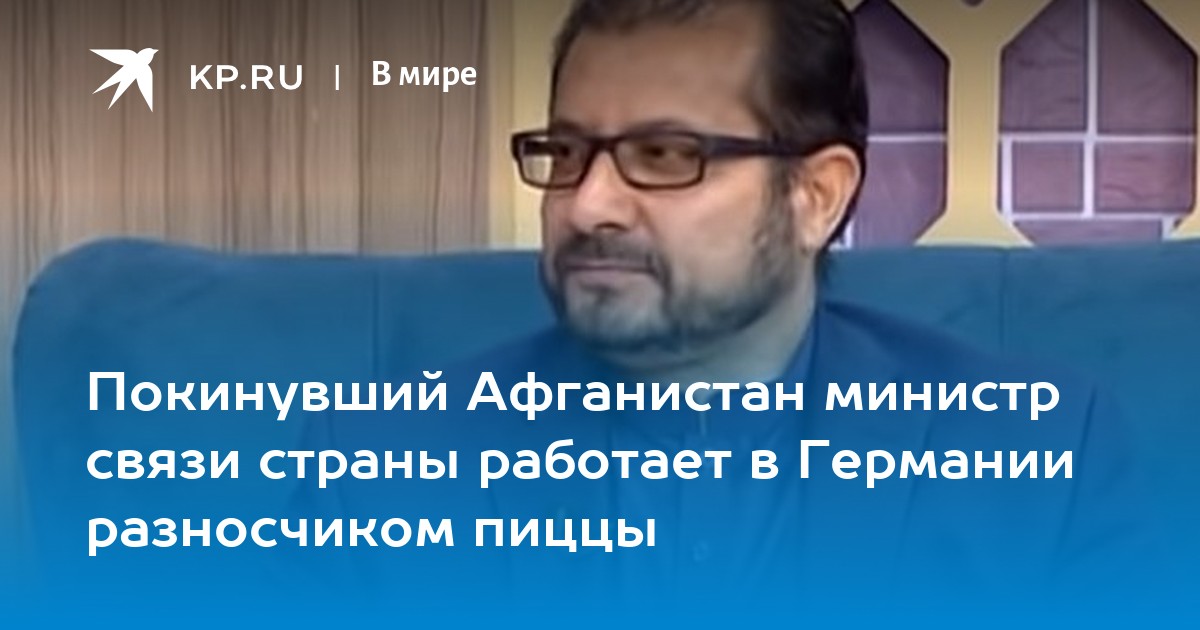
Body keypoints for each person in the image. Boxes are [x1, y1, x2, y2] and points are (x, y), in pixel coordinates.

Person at [302, 0, 1153, 621]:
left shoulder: (1044, 459)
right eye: (567, 151)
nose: (588, 203)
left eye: (664, 153)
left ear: (816, 197)